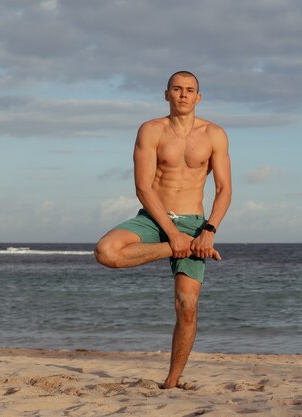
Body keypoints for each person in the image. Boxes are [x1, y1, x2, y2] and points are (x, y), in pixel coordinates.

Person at [94, 70, 232, 389]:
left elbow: (224, 188)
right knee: (105, 251)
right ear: (166, 94)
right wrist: (173, 238)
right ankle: (173, 250)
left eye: (190, 90)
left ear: (198, 97)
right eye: (177, 89)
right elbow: (143, 187)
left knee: (187, 306)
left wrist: (208, 231)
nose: (183, 95)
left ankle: (171, 382)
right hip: (154, 217)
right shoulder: (151, 130)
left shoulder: (215, 134)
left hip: (195, 223)